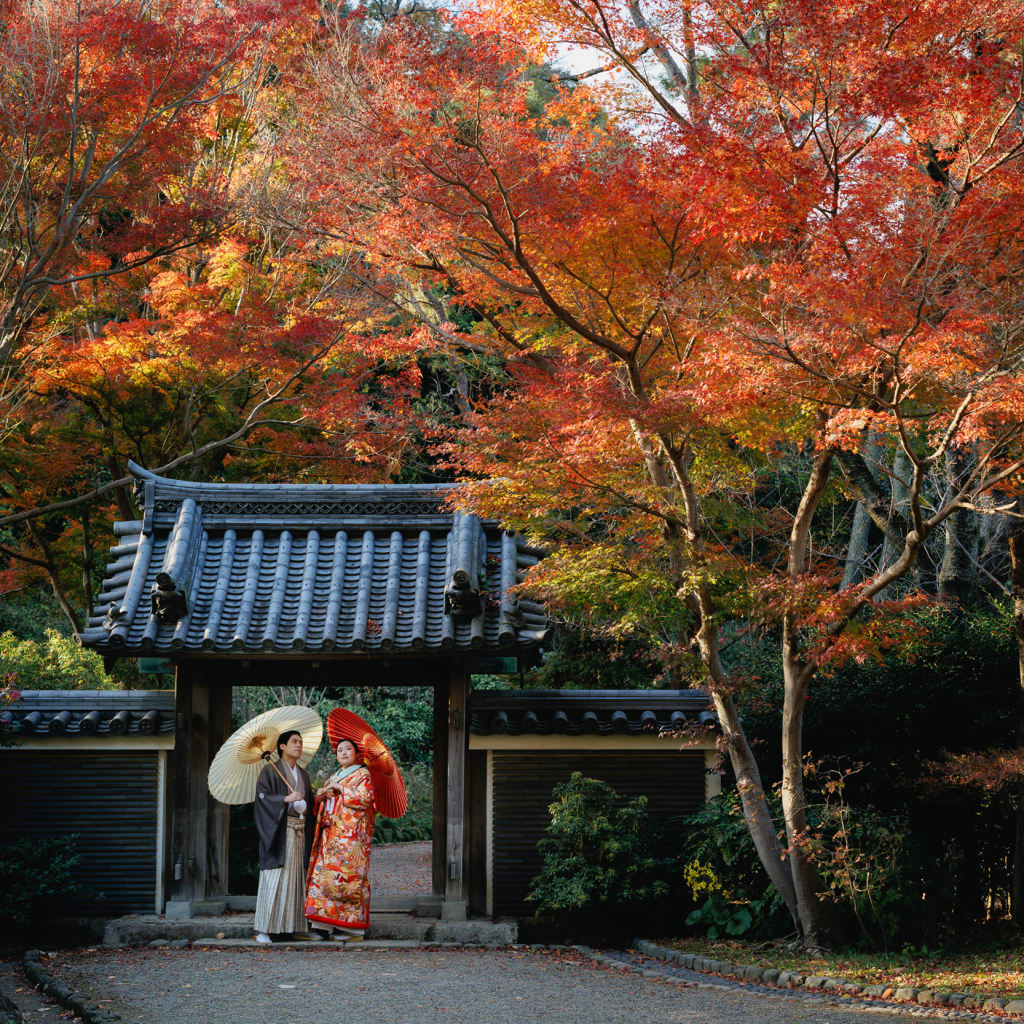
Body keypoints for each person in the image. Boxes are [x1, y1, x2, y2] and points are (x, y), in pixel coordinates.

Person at [304, 737, 376, 941]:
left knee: (348, 880)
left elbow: (366, 798)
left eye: (348, 749)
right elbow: (323, 801)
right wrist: (322, 795)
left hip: (350, 838)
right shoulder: (335, 775)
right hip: (330, 834)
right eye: (339, 750)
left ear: (357, 754)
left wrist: (341, 789)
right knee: (324, 877)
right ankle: (323, 924)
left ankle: (353, 929)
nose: (343, 752)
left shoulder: (362, 774)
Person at [253, 729, 316, 943]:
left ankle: (296, 927)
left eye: (300, 742)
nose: (299, 745)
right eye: (294, 741)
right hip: (280, 832)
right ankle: (264, 930)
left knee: (297, 880)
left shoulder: (303, 774)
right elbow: (262, 799)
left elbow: (310, 804)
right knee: (275, 878)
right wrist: (284, 799)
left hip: (300, 832)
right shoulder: (269, 771)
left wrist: (308, 805)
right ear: (282, 746)